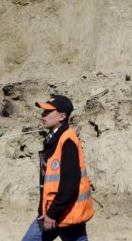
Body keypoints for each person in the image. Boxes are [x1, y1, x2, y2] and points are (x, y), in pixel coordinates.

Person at [21, 94, 94, 241]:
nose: (43, 115)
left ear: (62, 116)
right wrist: (46, 212)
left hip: (67, 215)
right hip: (50, 214)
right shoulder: (53, 139)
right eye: (43, 111)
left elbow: (69, 185)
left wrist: (52, 214)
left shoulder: (67, 141)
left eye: (48, 112)